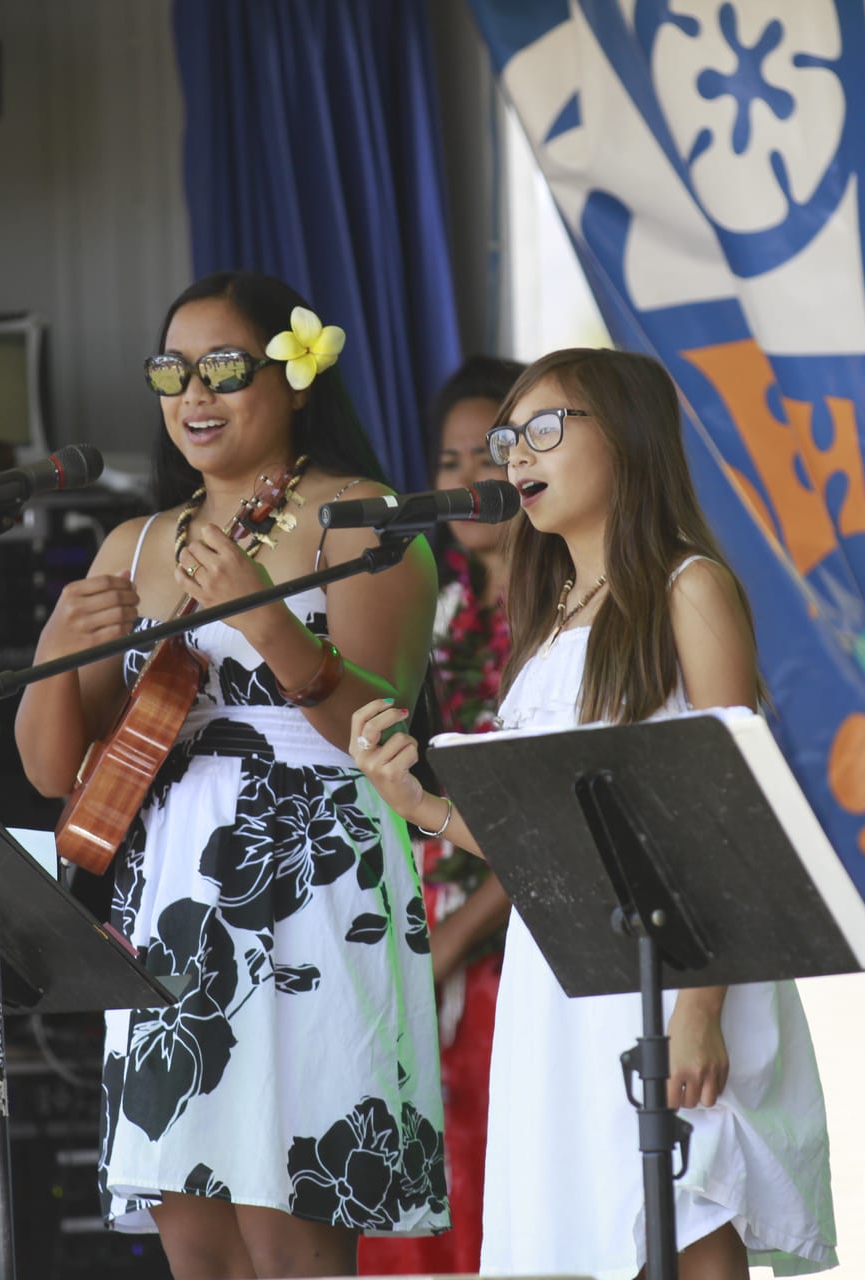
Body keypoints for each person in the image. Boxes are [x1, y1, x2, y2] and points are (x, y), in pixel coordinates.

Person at [348, 348, 837, 1279]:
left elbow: (731, 813)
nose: (513, 458)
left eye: (542, 431)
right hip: (566, 967)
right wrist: (422, 806)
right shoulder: (551, 615)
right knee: (586, 1221)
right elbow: (548, 843)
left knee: (687, 1213)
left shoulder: (688, 588)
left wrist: (700, 1010)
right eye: (506, 438)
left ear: (628, 440)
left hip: (681, 959)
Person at [15, 271, 447, 1277]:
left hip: (312, 877)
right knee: (196, 1231)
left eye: (224, 368)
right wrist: (56, 647)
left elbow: (379, 735)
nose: (193, 396)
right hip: (169, 893)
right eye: (174, 371)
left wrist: (261, 615)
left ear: (297, 379)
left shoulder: (363, 518)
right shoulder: (135, 541)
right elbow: (51, 770)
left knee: (293, 1224)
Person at [357, 355, 524, 1275]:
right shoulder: (433, 606)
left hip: (514, 945)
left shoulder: (562, 615)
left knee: (497, 1192)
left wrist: (456, 939)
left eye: (492, 451)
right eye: (451, 459)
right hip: (416, 930)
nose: (469, 479)